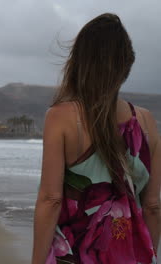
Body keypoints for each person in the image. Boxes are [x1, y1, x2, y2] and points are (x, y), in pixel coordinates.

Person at [32, 13, 160, 264]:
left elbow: (51, 200)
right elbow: (153, 205)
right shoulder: (145, 121)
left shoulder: (61, 118)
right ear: (126, 66)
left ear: (79, 62)